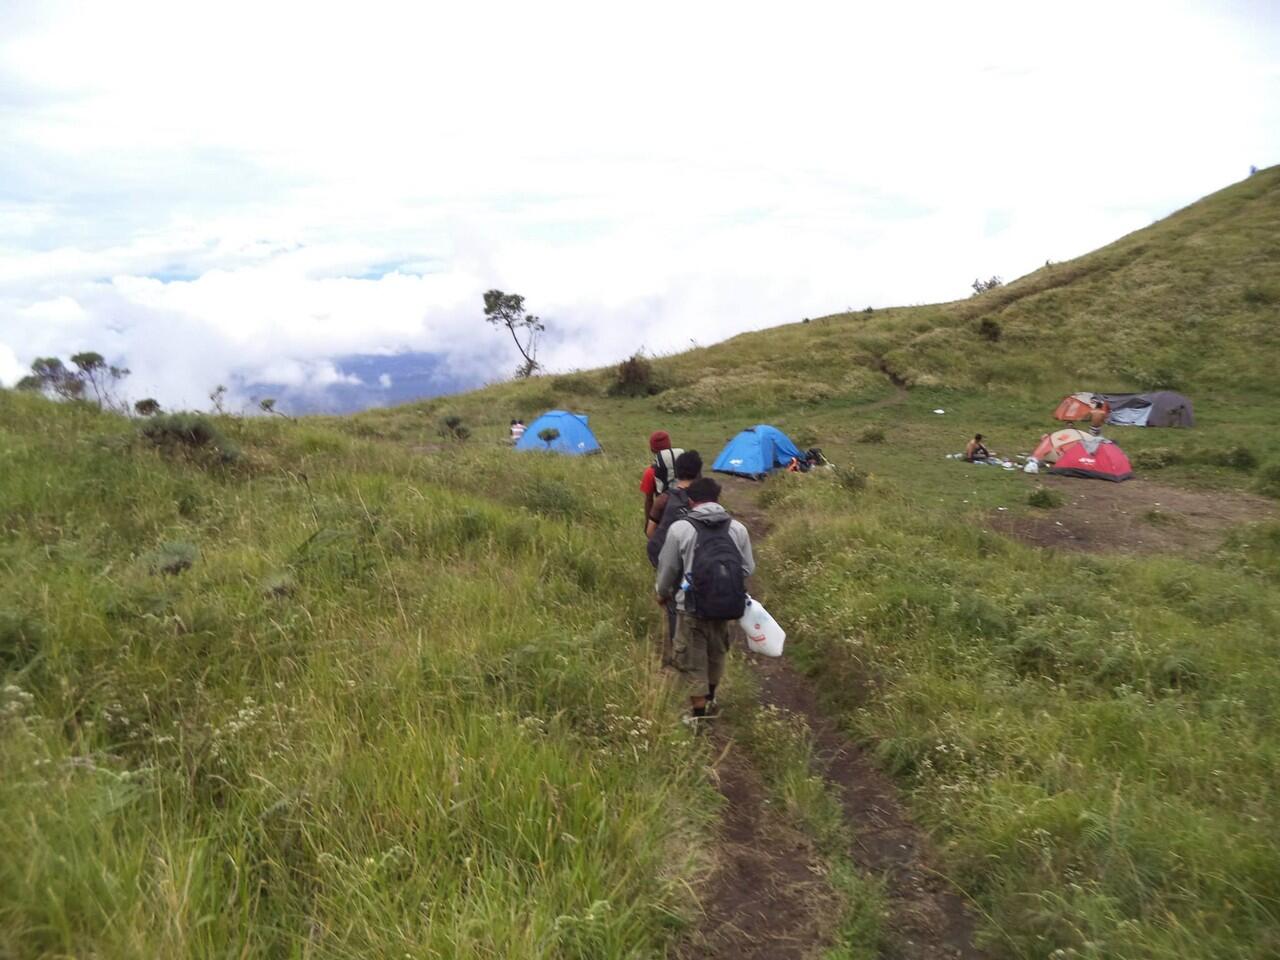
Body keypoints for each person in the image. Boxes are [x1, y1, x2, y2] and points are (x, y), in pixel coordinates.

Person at [655, 476, 755, 724]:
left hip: (690, 606)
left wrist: (662, 592)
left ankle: (698, 718)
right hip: (725, 605)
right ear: (717, 499)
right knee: (716, 654)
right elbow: (747, 568)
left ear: (690, 501)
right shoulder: (737, 528)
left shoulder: (680, 529)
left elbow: (667, 568)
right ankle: (710, 701)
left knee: (692, 660)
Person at [646, 451, 702, 667]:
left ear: (676, 472)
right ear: (699, 472)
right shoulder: (702, 498)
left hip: (669, 560)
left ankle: (677, 653)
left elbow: (651, 531)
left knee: (672, 604)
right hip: (697, 561)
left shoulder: (664, 498)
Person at [639, 431, 683, 529]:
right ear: (670, 445)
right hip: (687, 517)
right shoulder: (684, 465)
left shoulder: (650, 472)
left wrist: (648, 523)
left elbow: (649, 500)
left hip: (664, 519)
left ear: (652, 449)